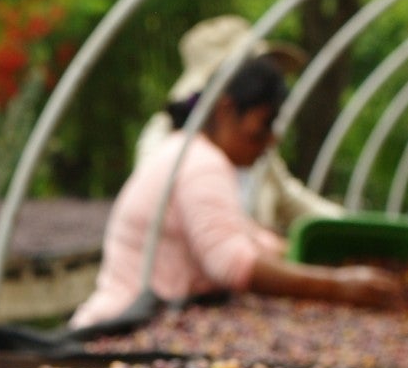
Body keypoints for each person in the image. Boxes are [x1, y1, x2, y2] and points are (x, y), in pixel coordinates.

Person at [68, 53, 408, 336]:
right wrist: (339, 286)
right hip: (123, 330)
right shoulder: (201, 163)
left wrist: (318, 254)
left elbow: (245, 236)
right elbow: (233, 264)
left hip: (148, 324)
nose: (270, 139)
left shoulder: (192, 152)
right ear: (226, 110)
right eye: (265, 122)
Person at [133, 15, 341, 236]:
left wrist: (354, 226)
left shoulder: (252, 143)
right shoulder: (166, 146)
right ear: (226, 105)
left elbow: (291, 199)